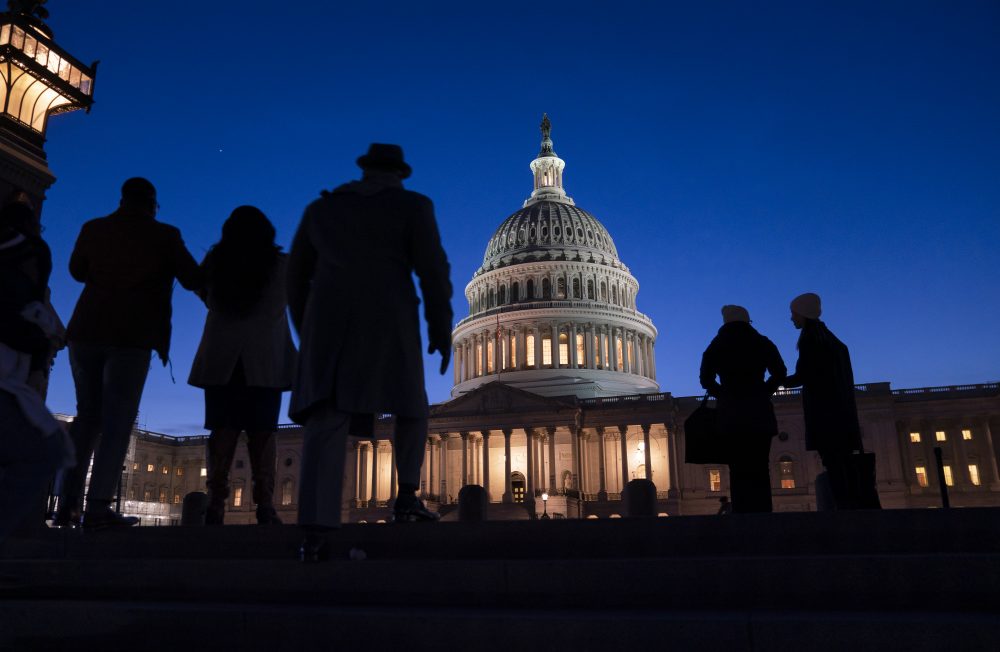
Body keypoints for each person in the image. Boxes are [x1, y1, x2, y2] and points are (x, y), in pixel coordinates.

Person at [288, 143, 452, 561]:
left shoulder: (321, 209)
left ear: (365, 170)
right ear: (398, 173)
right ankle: (407, 496)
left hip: (327, 321)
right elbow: (433, 270)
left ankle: (315, 530)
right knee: (411, 407)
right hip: (388, 315)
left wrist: (306, 329)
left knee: (327, 416)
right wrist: (440, 326)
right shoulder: (412, 205)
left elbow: (295, 277)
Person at [55, 178, 202, 529]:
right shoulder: (165, 235)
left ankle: (66, 504)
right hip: (132, 335)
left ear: (122, 201)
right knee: (118, 421)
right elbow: (193, 278)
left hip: (86, 330)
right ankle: (98, 507)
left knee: (86, 418)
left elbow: (76, 271)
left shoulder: (94, 227)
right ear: (152, 205)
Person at [188, 206, 297, 525]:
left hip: (222, 358)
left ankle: (215, 503)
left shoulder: (217, 262)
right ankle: (265, 505)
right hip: (265, 359)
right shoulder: (282, 265)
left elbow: (201, 291)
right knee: (263, 432)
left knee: (222, 430)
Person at [0, 203, 73, 542]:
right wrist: (39, 341)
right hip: (6, 380)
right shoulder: (26, 255)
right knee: (45, 451)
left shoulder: (20, 258)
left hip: (10, 380)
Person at [784, 292, 878, 509]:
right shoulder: (831, 339)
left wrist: (774, 381)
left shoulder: (811, 340)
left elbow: (803, 375)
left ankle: (843, 510)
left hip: (824, 412)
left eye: (794, 313)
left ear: (803, 313)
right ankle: (849, 507)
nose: (791, 318)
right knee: (841, 460)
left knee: (833, 462)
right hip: (840, 411)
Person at [699, 305, 786, 513]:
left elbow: (705, 379)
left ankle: (742, 515)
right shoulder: (762, 342)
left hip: (731, 414)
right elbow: (780, 372)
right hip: (758, 410)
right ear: (747, 321)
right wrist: (764, 391)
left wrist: (724, 394)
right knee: (760, 466)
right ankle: (763, 513)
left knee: (737, 468)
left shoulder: (717, 345)